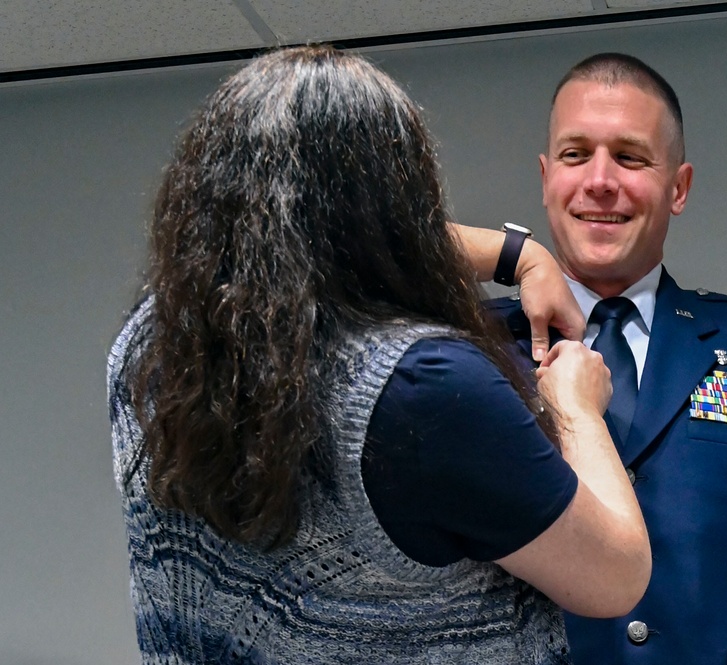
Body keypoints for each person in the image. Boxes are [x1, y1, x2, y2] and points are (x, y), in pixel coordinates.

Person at [107, 45, 651, 664]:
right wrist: (576, 406)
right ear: (396, 205)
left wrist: (518, 254)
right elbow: (617, 575)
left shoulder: (153, 339)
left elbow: (287, 249)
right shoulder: (426, 388)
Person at [491, 52, 727, 664]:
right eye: (575, 155)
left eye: (630, 156)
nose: (599, 179)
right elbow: (326, 260)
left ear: (678, 187)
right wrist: (515, 255)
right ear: (545, 179)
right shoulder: (470, 349)